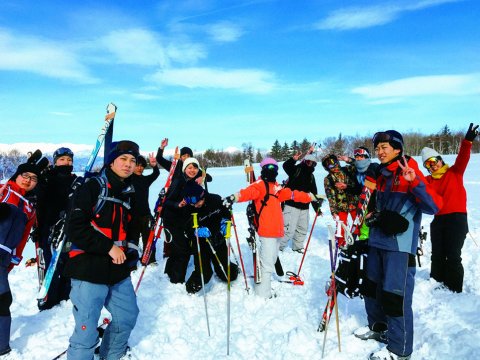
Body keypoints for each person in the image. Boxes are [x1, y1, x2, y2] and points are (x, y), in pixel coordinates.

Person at [355, 130, 443, 360]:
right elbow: (371, 205)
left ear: (397, 149)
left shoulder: (409, 171)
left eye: (384, 147)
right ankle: (379, 328)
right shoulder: (381, 173)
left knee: (396, 297)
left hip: (398, 247)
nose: (379, 152)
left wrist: (415, 183)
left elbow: (434, 206)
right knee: (371, 288)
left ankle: (400, 350)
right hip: (376, 240)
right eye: (377, 148)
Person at [64, 140, 140, 360]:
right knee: (86, 330)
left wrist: (131, 250)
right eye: (123, 159)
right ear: (111, 162)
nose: (128, 164)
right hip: (87, 267)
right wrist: (109, 247)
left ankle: (111, 356)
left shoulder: (128, 192)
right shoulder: (92, 187)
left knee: (126, 317)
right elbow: (75, 227)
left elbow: (132, 227)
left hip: (117, 269)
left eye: (132, 161)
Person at [222, 158, 321, 299]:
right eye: (268, 167)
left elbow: (294, 194)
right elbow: (246, 193)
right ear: (262, 168)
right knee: (267, 263)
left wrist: (311, 197)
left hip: (277, 231)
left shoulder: (277, 188)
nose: (271, 170)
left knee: (272, 259)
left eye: (274, 168)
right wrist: (233, 197)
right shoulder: (260, 185)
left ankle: (264, 288)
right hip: (266, 231)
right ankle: (263, 293)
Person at [420, 123, 478, 293]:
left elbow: (463, 157)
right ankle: (436, 282)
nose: (431, 166)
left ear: (440, 159)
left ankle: (454, 288)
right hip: (438, 220)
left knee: (453, 255)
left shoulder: (455, 172)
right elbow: (416, 184)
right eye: (427, 165)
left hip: (457, 219)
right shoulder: (428, 181)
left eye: (433, 161)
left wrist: (467, 141)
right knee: (437, 254)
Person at [0, 157, 46, 355]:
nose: (28, 180)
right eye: (24, 175)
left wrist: (13, 260)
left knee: (2, 299)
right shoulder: (3, 190)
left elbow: (22, 238)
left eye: (34, 178)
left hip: (3, 259)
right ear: (16, 176)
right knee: (2, 299)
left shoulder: (29, 208)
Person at [35, 147, 77, 310]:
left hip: (68, 228)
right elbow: (38, 198)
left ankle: (65, 295)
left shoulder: (75, 180)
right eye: (62, 160)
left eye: (69, 160)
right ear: (55, 162)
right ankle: (49, 298)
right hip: (48, 227)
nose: (66, 163)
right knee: (50, 264)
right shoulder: (46, 179)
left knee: (67, 263)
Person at [182, 182, 238, 294]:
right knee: (204, 275)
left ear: (203, 195)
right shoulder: (189, 208)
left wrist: (225, 222)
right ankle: (189, 289)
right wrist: (195, 231)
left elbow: (226, 213)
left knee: (228, 275)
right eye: (192, 203)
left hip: (218, 239)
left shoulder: (215, 199)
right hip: (201, 244)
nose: (195, 205)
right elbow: (185, 229)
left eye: (198, 202)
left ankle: (230, 267)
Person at [163, 157, 204, 284]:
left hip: (182, 220)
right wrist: (178, 204)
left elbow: (199, 196)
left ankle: (169, 271)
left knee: (178, 248)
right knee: (184, 250)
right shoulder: (178, 181)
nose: (192, 170)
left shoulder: (192, 183)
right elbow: (166, 202)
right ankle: (177, 280)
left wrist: (200, 201)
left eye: (195, 168)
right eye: (189, 168)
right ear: (184, 168)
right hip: (172, 219)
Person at [279, 151, 320, 253]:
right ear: (305, 162)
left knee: (302, 229)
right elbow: (286, 166)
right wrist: (293, 159)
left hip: (304, 207)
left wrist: (317, 208)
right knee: (288, 230)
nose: (311, 165)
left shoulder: (311, 176)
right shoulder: (296, 169)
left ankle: (297, 247)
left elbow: (313, 193)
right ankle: (278, 247)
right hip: (291, 205)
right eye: (309, 162)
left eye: (313, 163)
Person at [127, 153, 160, 265]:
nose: (140, 168)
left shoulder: (145, 180)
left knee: (149, 238)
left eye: (142, 166)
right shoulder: (127, 179)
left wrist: (154, 165)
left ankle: (150, 260)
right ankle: (132, 262)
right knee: (132, 240)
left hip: (146, 214)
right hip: (132, 216)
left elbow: (156, 173)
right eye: (137, 165)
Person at [322, 153, 360, 247]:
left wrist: (349, 160)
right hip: (340, 206)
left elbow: (360, 165)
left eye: (334, 162)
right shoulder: (328, 179)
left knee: (359, 224)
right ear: (327, 167)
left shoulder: (348, 169)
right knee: (341, 227)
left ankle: (362, 242)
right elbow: (330, 196)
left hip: (354, 203)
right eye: (330, 164)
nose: (333, 166)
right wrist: (333, 211)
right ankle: (341, 244)